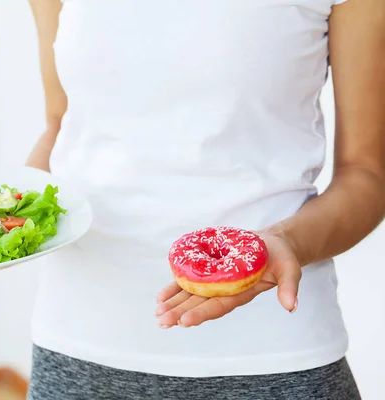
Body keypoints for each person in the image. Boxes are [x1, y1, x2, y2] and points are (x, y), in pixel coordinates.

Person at [25, 0, 385, 399]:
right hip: (78, 340)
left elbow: (366, 173)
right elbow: (59, 125)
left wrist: (288, 242)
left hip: (271, 352)